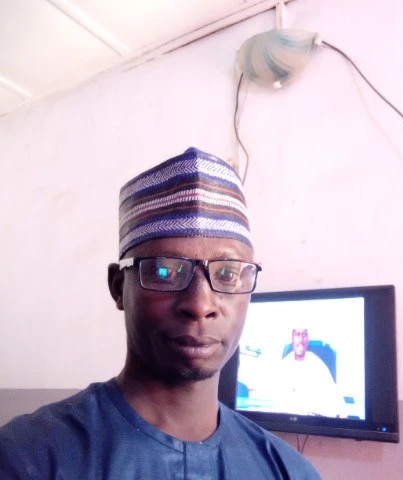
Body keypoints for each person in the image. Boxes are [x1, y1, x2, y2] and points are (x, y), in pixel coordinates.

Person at [0, 147, 321, 479]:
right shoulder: (29, 457)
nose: (200, 305)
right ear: (118, 286)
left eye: (227, 274)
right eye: (165, 272)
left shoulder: (289, 471)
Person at [281, 328, 346, 418]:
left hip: (314, 422)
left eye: (304, 334)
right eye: (297, 334)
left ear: (308, 339)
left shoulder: (318, 365)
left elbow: (336, 402)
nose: (301, 339)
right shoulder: (283, 365)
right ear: (292, 338)